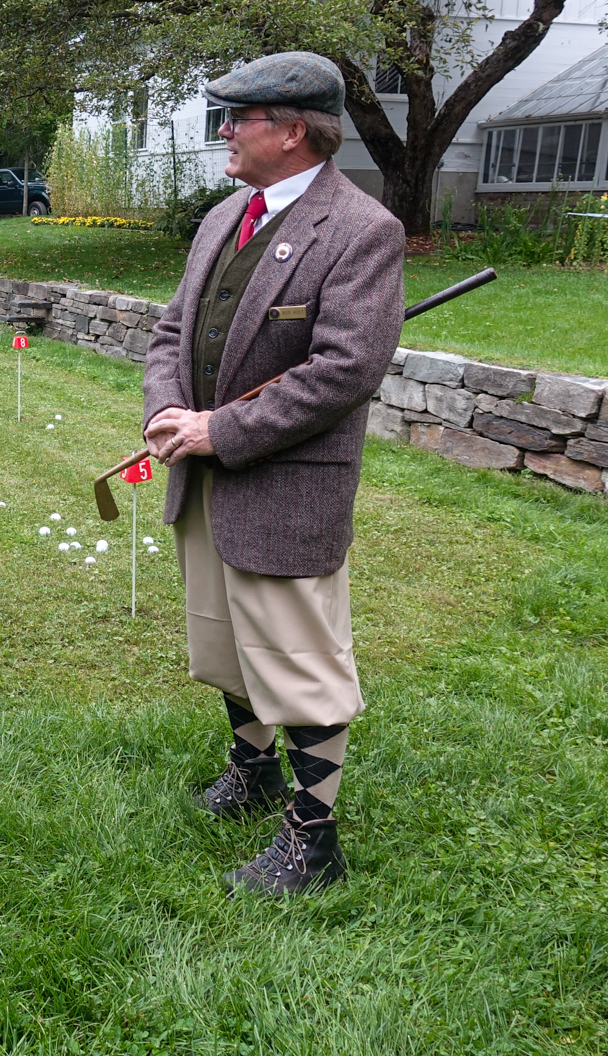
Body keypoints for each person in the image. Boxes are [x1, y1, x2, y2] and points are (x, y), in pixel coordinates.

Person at [141, 52, 404, 894]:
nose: (223, 131)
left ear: (292, 132)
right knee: (226, 640)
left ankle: (313, 841)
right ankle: (251, 770)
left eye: (238, 118)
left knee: (300, 663)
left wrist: (221, 429)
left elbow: (344, 371)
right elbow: (170, 330)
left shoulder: (363, 231)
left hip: (287, 487)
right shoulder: (225, 217)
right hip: (209, 475)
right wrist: (164, 412)